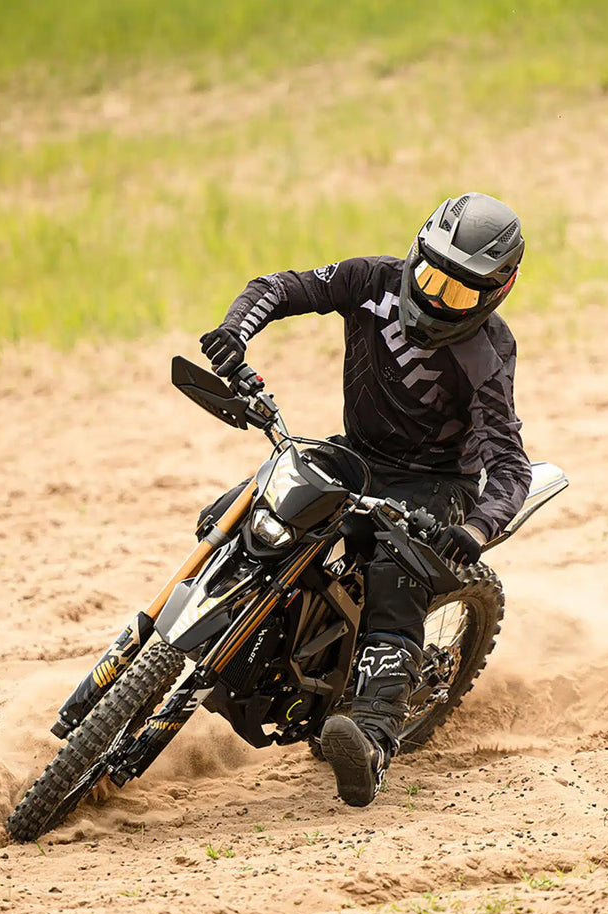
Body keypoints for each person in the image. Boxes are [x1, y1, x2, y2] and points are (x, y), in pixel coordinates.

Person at [198, 192, 532, 806]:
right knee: (245, 507)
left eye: (458, 294)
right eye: (430, 278)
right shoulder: (370, 280)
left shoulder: (489, 353)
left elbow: (510, 464)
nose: (436, 299)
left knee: (394, 573)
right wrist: (233, 331)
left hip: (436, 485)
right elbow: (281, 288)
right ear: (415, 255)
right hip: (355, 453)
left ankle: (373, 736)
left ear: (496, 292)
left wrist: (475, 530)